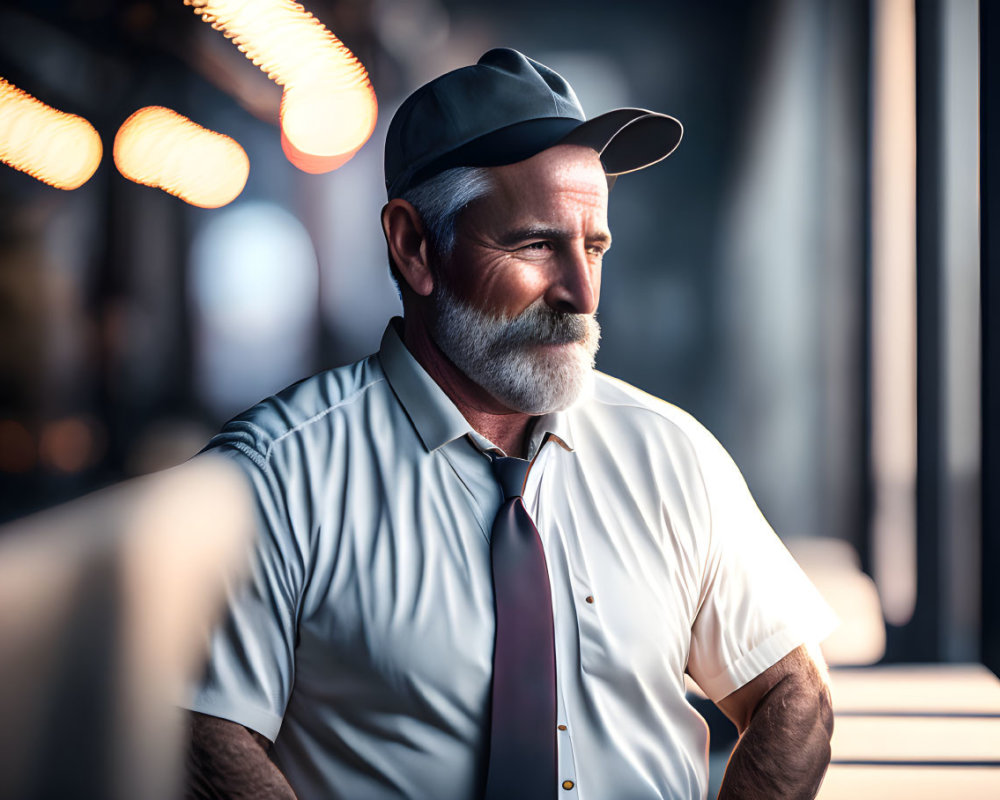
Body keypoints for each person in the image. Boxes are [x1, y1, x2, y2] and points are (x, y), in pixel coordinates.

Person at [184, 48, 838, 800]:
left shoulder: (670, 455)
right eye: (536, 245)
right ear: (415, 246)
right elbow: (205, 737)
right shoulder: (274, 477)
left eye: (594, 247)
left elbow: (796, 697)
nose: (581, 292)